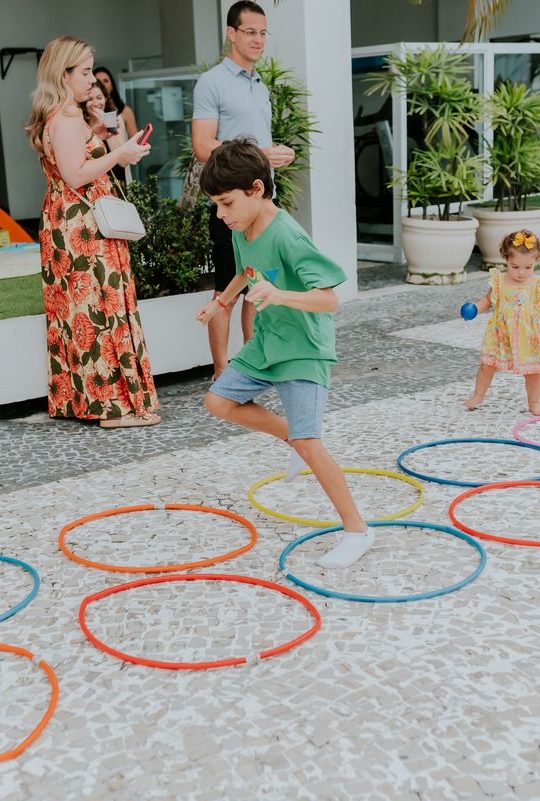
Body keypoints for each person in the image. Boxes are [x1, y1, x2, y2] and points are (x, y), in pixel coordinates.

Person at [196, 138, 372, 569]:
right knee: (218, 400)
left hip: (303, 350)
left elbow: (329, 300)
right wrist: (221, 302)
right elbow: (243, 272)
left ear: (256, 189)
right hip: (267, 342)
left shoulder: (287, 235)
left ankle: (357, 530)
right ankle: (289, 436)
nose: (221, 214)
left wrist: (280, 294)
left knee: (310, 442)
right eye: (216, 205)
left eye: (226, 203)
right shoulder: (243, 227)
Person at [24, 35, 160, 428]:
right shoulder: (66, 118)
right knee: (100, 308)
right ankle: (114, 408)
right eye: (84, 72)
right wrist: (119, 153)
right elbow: (76, 174)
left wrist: (100, 138)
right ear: (63, 74)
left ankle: (89, 401)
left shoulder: (62, 115)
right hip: (84, 226)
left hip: (69, 221)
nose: (93, 81)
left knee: (80, 311)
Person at [191, 0, 296, 380]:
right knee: (228, 288)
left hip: (263, 203)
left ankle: (256, 362)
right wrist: (256, 154)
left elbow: (257, 145)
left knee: (260, 284)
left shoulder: (260, 84)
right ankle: (222, 371)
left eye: (263, 32)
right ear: (231, 33)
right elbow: (203, 145)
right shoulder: (212, 82)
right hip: (230, 204)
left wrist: (275, 155)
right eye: (250, 31)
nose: (258, 39)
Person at [461, 230, 540, 416]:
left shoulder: (538, 284)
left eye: (528, 267)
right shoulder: (499, 281)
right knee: (487, 366)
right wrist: (474, 310)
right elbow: (488, 300)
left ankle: (534, 402)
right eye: (515, 267)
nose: (521, 273)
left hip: (529, 336)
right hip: (501, 333)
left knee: (532, 372)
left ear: (536, 261)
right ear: (505, 259)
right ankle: (478, 395)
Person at [83, 83, 131, 185]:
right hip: (92, 184)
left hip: (116, 182)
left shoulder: (115, 122)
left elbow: (123, 162)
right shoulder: (82, 125)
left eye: (99, 98)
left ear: (105, 98)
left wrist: (107, 124)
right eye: (90, 99)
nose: (96, 103)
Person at [93, 66, 137, 139]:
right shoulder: (87, 114)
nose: (102, 85)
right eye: (98, 81)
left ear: (112, 85)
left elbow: (136, 141)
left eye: (106, 81)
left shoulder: (125, 110)